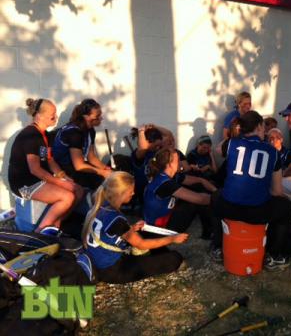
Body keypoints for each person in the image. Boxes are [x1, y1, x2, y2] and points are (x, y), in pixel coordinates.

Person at [212, 111, 291, 270]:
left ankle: (217, 247)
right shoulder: (273, 152)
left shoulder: (232, 143)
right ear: (258, 126)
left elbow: (216, 150)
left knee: (215, 197)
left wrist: (235, 135)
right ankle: (275, 255)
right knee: (286, 207)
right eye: (263, 127)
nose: (264, 131)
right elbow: (277, 191)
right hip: (257, 212)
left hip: (229, 207)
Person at [83, 171, 188, 284]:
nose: (133, 193)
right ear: (121, 193)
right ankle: (165, 257)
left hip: (100, 261)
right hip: (113, 270)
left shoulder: (100, 206)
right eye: (131, 190)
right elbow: (141, 243)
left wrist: (132, 228)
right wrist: (173, 238)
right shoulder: (116, 218)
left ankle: (156, 255)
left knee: (146, 232)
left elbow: (110, 231)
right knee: (175, 259)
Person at [8, 99, 84, 234]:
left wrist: (64, 177)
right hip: (24, 183)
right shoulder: (30, 135)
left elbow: (50, 160)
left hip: (37, 178)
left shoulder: (45, 136)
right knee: (67, 197)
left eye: (56, 113)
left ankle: (55, 226)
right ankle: (39, 234)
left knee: (78, 190)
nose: (56, 117)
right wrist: (59, 182)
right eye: (52, 113)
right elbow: (35, 169)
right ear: (39, 115)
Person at [144, 147, 216, 237]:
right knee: (195, 202)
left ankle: (208, 232)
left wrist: (215, 190)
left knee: (198, 190)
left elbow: (199, 180)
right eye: (178, 161)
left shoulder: (167, 175)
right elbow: (201, 199)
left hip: (162, 220)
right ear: (169, 164)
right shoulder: (165, 183)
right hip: (156, 230)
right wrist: (220, 197)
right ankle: (210, 233)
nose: (180, 163)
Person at [52, 99, 111, 190]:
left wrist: (105, 168)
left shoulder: (90, 131)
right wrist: (102, 173)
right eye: (97, 116)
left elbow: (91, 157)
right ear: (86, 117)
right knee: (100, 181)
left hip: (75, 166)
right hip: (61, 168)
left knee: (109, 176)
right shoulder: (74, 133)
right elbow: (79, 166)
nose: (101, 118)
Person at [130, 125, 164, 202]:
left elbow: (169, 136)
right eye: (156, 145)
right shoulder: (139, 155)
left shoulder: (156, 152)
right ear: (147, 142)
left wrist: (154, 126)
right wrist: (141, 130)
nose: (158, 148)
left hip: (156, 189)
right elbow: (143, 147)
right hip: (143, 193)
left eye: (160, 145)